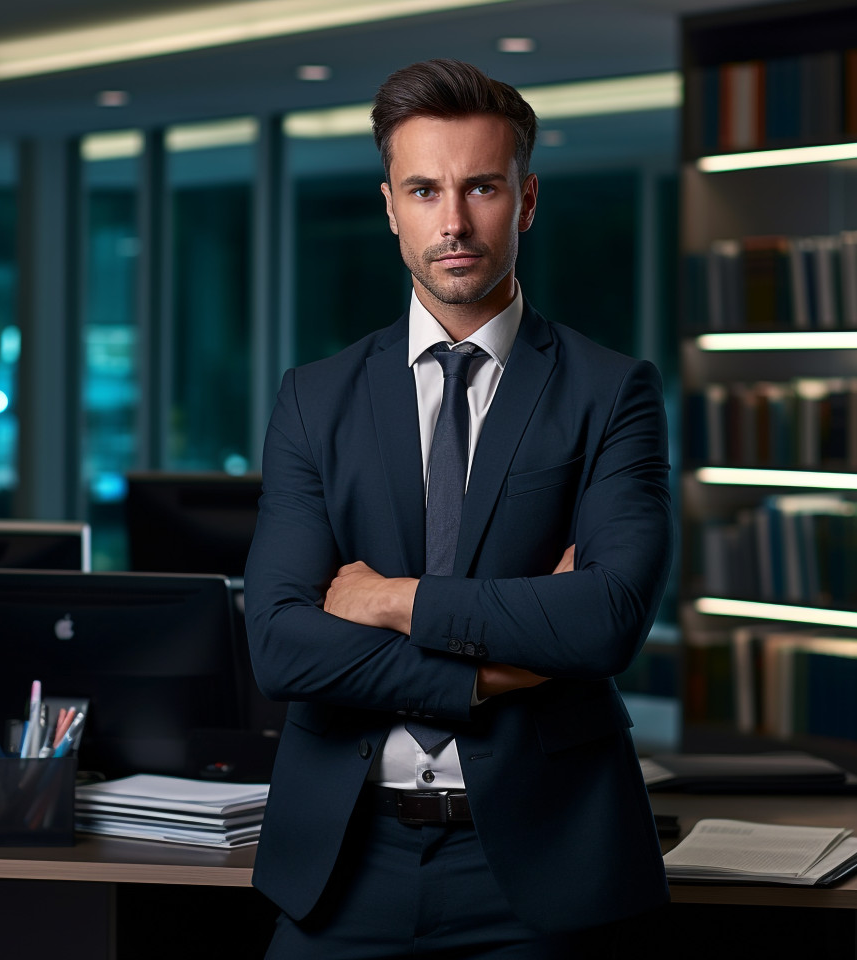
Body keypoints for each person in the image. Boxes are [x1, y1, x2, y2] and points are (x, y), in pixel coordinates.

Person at [244, 58, 673, 958]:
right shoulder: (313, 398)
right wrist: (491, 671)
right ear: (391, 205)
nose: (453, 222)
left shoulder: (610, 392)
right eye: (425, 190)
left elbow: (604, 621)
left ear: (524, 200)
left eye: (480, 187)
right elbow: (281, 643)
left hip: (543, 869)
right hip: (342, 864)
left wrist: (390, 599)